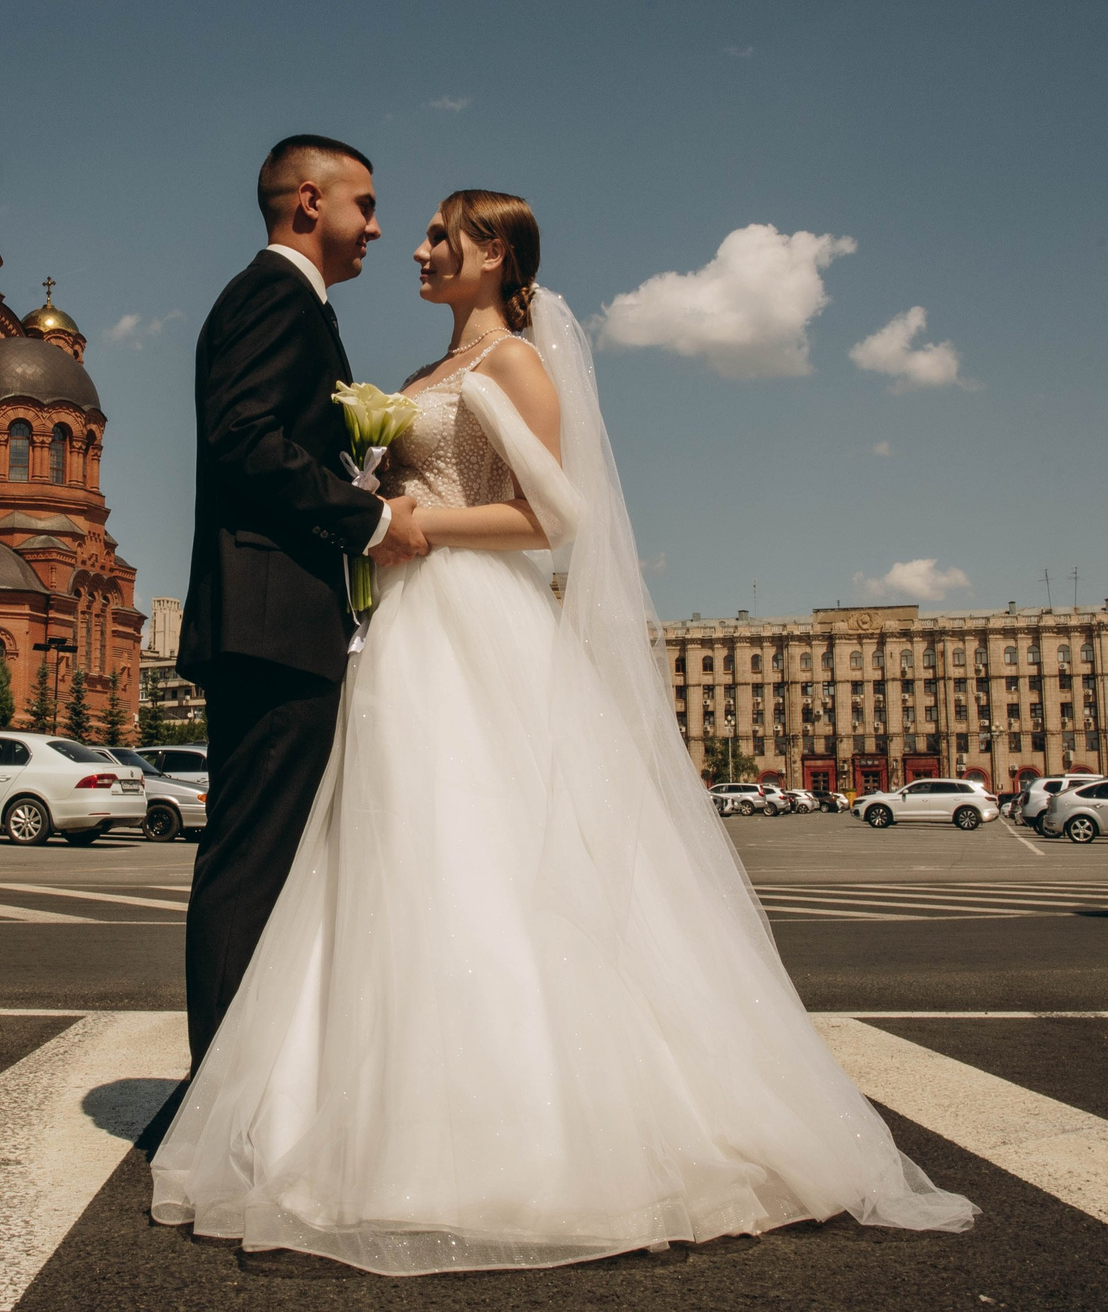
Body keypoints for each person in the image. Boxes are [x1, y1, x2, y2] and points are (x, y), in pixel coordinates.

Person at [151, 188, 977, 1274]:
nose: (420, 247)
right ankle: (369, 1113)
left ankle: (529, 1127)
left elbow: (552, 518)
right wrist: (370, 500)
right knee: (397, 861)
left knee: (488, 856)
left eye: (443, 236)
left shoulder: (516, 367)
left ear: (493, 256)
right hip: (405, 632)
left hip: (474, 623)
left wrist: (416, 523)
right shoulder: (415, 381)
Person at [172, 135, 431, 1072]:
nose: (376, 227)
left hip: (280, 619)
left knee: (266, 859)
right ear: (310, 203)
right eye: (366, 204)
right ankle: (219, 1098)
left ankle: (242, 1085)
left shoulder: (291, 304)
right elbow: (244, 439)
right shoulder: (274, 296)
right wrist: (366, 517)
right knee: (251, 860)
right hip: (271, 623)